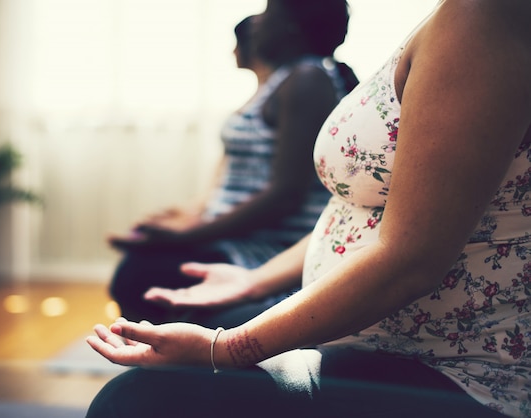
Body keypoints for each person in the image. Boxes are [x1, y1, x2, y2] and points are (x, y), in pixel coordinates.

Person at [86, 0, 531, 416]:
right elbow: (376, 213)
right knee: (169, 336)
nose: (259, 19)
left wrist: (223, 348)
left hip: (455, 368)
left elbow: (411, 260)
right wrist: (252, 281)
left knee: (138, 400)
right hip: (378, 339)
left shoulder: (484, 17)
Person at [107, 9, 358, 327]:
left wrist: (184, 236)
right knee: (141, 267)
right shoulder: (288, 79)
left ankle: (167, 364)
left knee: (141, 274)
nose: (256, 21)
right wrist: (186, 225)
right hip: (243, 239)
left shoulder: (308, 78)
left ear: (291, 28)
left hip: (270, 249)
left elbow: (286, 196)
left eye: (268, 11)